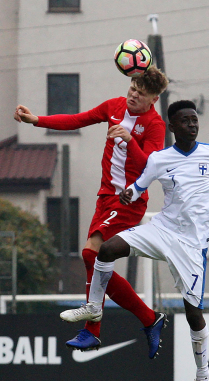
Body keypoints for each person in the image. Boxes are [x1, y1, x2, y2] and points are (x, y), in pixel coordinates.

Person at [60, 100, 209, 381]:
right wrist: (130, 194)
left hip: (191, 246)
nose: (192, 124)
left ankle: (203, 375)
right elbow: (139, 187)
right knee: (105, 250)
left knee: (193, 315)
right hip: (162, 230)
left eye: (194, 119)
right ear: (172, 127)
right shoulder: (160, 158)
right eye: (185, 121)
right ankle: (94, 308)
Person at [14, 66, 169, 355]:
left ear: (153, 100)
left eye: (141, 93)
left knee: (90, 253)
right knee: (95, 260)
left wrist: (129, 139)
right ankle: (148, 318)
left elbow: (151, 167)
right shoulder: (114, 106)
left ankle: (93, 330)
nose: (134, 94)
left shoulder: (155, 125)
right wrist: (37, 120)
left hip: (128, 200)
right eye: (133, 88)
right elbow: (78, 119)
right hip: (104, 198)